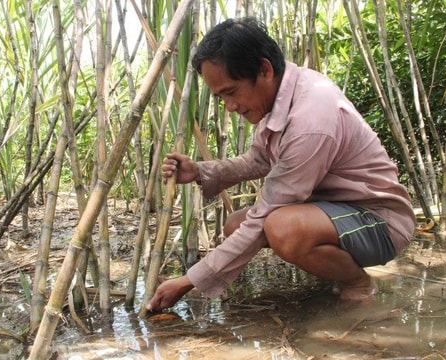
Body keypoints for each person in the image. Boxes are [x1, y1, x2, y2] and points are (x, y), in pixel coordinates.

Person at [146, 17, 415, 311]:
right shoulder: (285, 96)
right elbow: (259, 159)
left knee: (282, 228)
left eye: (232, 92)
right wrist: (200, 171)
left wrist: (187, 281)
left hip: (379, 222)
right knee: (236, 225)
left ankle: (356, 283)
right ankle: (333, 271)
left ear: (264, 69)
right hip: (338, 213)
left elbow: (265, 216)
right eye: (220, 97)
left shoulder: (310, 118)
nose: (231, 107)